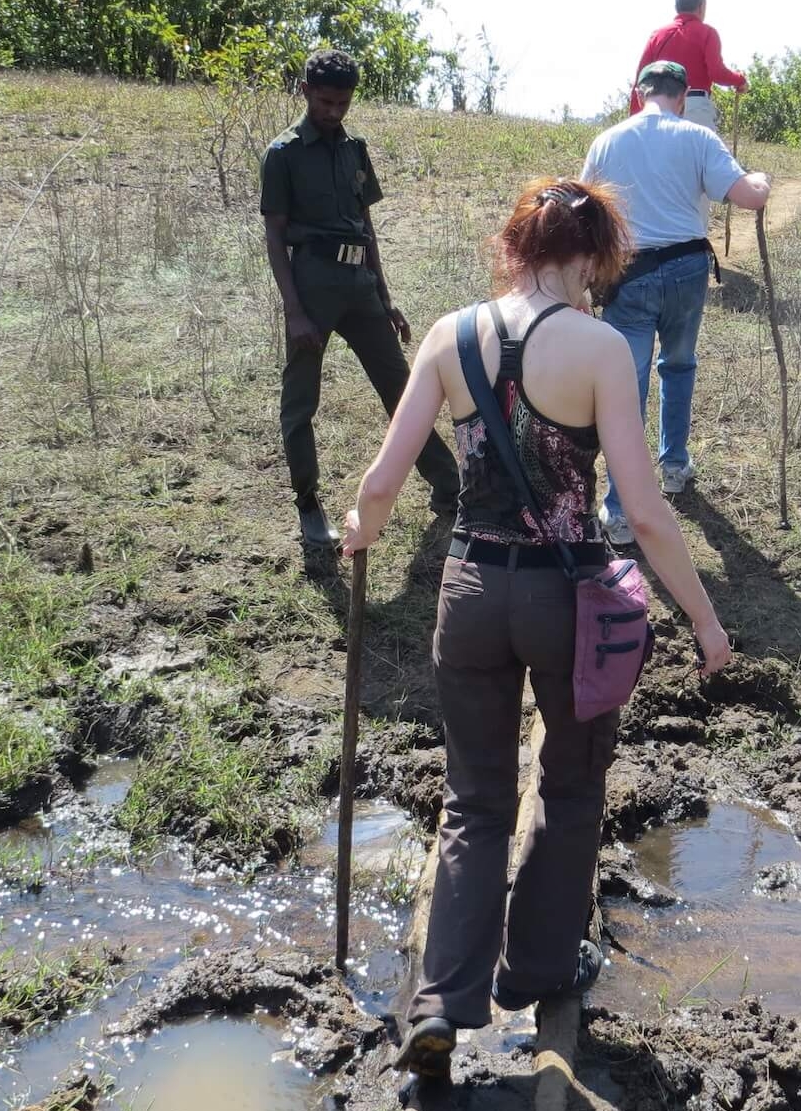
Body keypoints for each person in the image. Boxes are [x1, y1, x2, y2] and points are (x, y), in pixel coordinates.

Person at [341, 177, 734, 1083]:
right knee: (569, 785)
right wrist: (704, 621)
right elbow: (642, 511)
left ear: (515, 245)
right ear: (595, 258)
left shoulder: (449, 334)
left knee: (474, 798)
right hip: (568, 598)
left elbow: (383, 481)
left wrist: (362, 530)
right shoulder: (598, 347)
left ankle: (442, 1001)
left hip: (471, 589)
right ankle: (540, 969)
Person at [261, 49, 459, 548]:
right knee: (301, 403)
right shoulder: (283, 153)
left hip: (360, 285)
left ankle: (449, 486)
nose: (334, 111)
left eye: (343, 103)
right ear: (305, 91)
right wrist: (295, 312)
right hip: (312, 286)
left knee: (403, 390)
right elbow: (275, 236)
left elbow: (367, 227)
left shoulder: (355, 149)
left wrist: (386, 297)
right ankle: (308, 505)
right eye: (326, 101)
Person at [583, 60, 771, 547]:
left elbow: (584, 212)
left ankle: (619, 511)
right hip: (687, 271)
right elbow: (747, 198)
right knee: (680, 363)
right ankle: (673, 466)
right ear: (683, 95)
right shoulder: (698, 138)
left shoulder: (608, 141)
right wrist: (762, 180)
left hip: (630, 274)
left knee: (627, 388)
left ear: (639, 92)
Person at [629, 0, 749, 135]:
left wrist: (635, 119)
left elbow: (640, 81)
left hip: (661, 107)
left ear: (677, 7)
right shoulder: (708, 33)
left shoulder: (657, 35)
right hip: (696, 108)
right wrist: (740, 80)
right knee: (703, 155)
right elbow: (717, 73)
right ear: (702, 6)